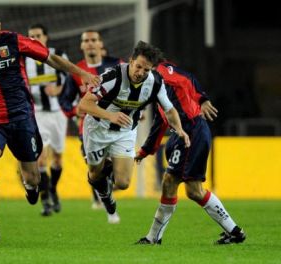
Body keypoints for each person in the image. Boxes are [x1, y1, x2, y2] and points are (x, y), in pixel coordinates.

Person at [0, 9, 100, 243]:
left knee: (33, 176)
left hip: (22, 118)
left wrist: (81, 73)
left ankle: (31, 187)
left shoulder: (14, 40)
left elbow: (50, 57)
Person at [134, 56, 246, 245]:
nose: (141, 72)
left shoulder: (163, 71)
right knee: (190, 190)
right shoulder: (158, 91)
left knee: (176, 183)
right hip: (183, 134)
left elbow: (187, 78)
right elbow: (160, 123)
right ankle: (234, 232)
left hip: (192, 131)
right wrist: (145, 151)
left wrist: (201, 98)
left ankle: (153, 238)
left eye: (143, 67)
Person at [78, 41, 190, 224]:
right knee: (94, 174)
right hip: (97, 128)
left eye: (146, 70)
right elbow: (84, 104)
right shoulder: (112, 77)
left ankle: (108, 178)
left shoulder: (155, 82)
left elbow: (169, 110)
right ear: (131, 61)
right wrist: (110, 116)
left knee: (123, 183)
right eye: (138, 67)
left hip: (125, 131)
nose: (141, 73)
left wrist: (180, 130)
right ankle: (105, 195)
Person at [59, 30, 122, 212]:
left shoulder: (117, 65)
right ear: (81, 45)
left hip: (115, 126)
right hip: (87, 129)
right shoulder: (76, 71)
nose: (90, 43)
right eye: (86, 40)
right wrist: (74, 112)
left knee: (119, 174)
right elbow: (64, 100)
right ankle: (100, 197)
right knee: (95, 167)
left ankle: (104, 192)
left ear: (101, 44)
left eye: (94, 40)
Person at [25, 23, 68, 216]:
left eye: (38, 35)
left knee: (57, 159)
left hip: (57, 113)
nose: (34, 39)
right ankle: (46, 201)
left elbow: (68, 80)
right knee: (41, 158)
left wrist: (58, 90)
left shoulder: (57, 53)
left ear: (46, 37)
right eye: (31, 36)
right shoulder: (24, 59)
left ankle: (53, 189)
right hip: (38, 115)